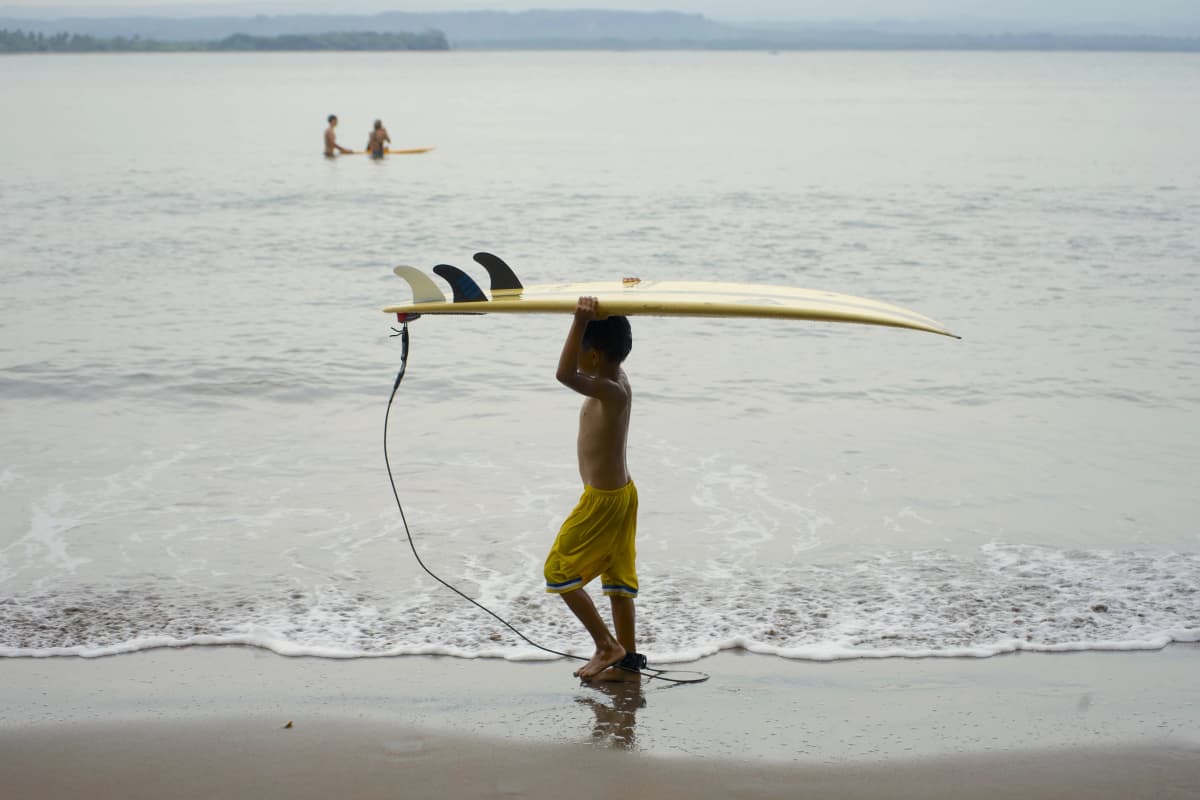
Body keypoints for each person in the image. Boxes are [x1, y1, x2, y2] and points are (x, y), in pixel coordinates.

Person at [544, 297, 644, 681]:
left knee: (558, 571)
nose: (578, 355)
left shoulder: (610, 391)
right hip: (622, 495)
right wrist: (612, 312)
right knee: (618, 582)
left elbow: (564, 375)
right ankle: (627, 663)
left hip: (602, 501)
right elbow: (595, 356)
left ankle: (607, 646)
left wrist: (578, 322)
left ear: (597, 355)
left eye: (583, 348)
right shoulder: (617, 379)